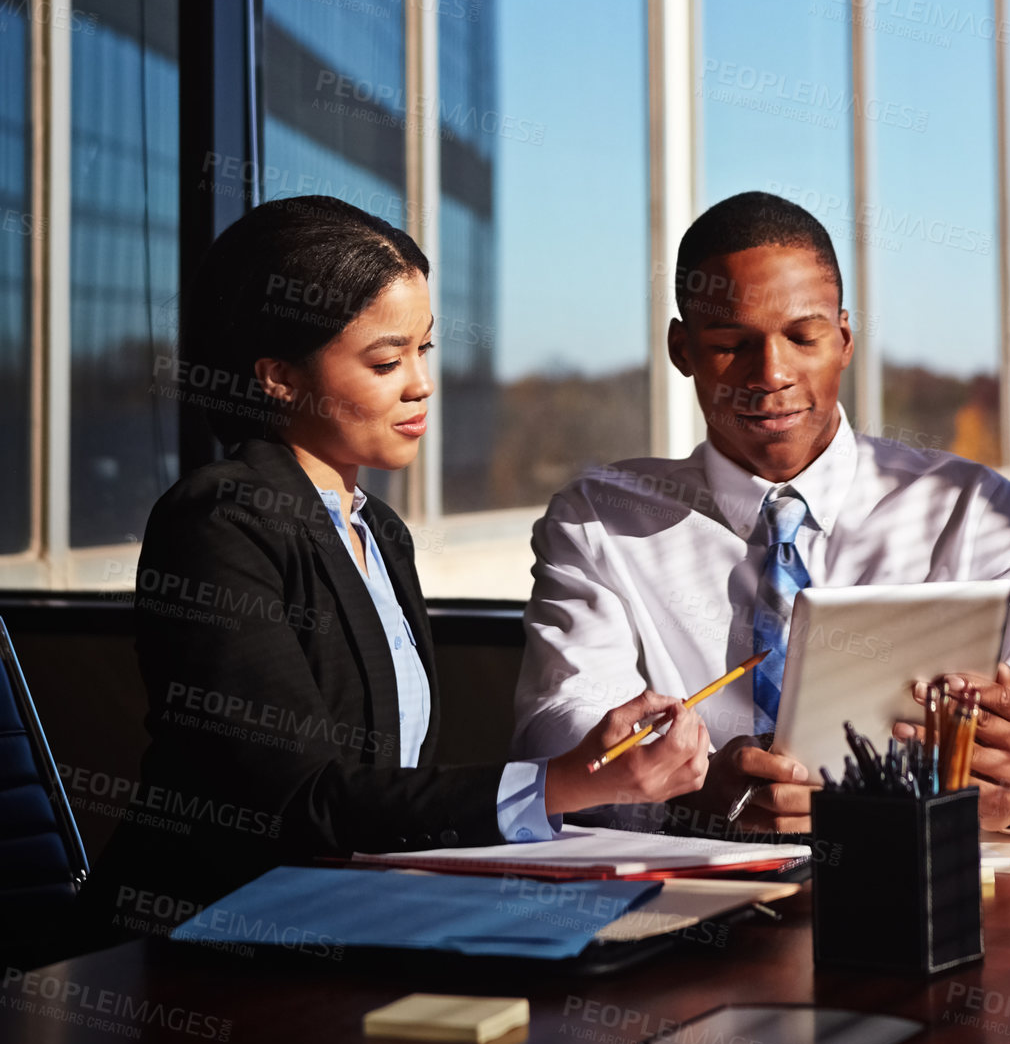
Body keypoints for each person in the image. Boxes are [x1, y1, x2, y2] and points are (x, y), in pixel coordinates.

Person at [76, 197, 708, 946]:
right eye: (386, 360)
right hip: (201, 947)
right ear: (278, 377)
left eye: (424, 350)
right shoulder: (220, 520)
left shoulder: (379, 532)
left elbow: (385, 788)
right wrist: (565, 781)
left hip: (347, 923)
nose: (420, 384)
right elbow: (298, 801)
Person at [512, 191, 1010, 838]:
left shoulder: (977, 513)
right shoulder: (600, 521)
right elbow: (556, 731)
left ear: (844, 338)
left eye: (803, 336)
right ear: (682, 349)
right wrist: (688, 793)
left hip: (914, 886)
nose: (770, 373)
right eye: (730, 343)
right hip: (692, 904)